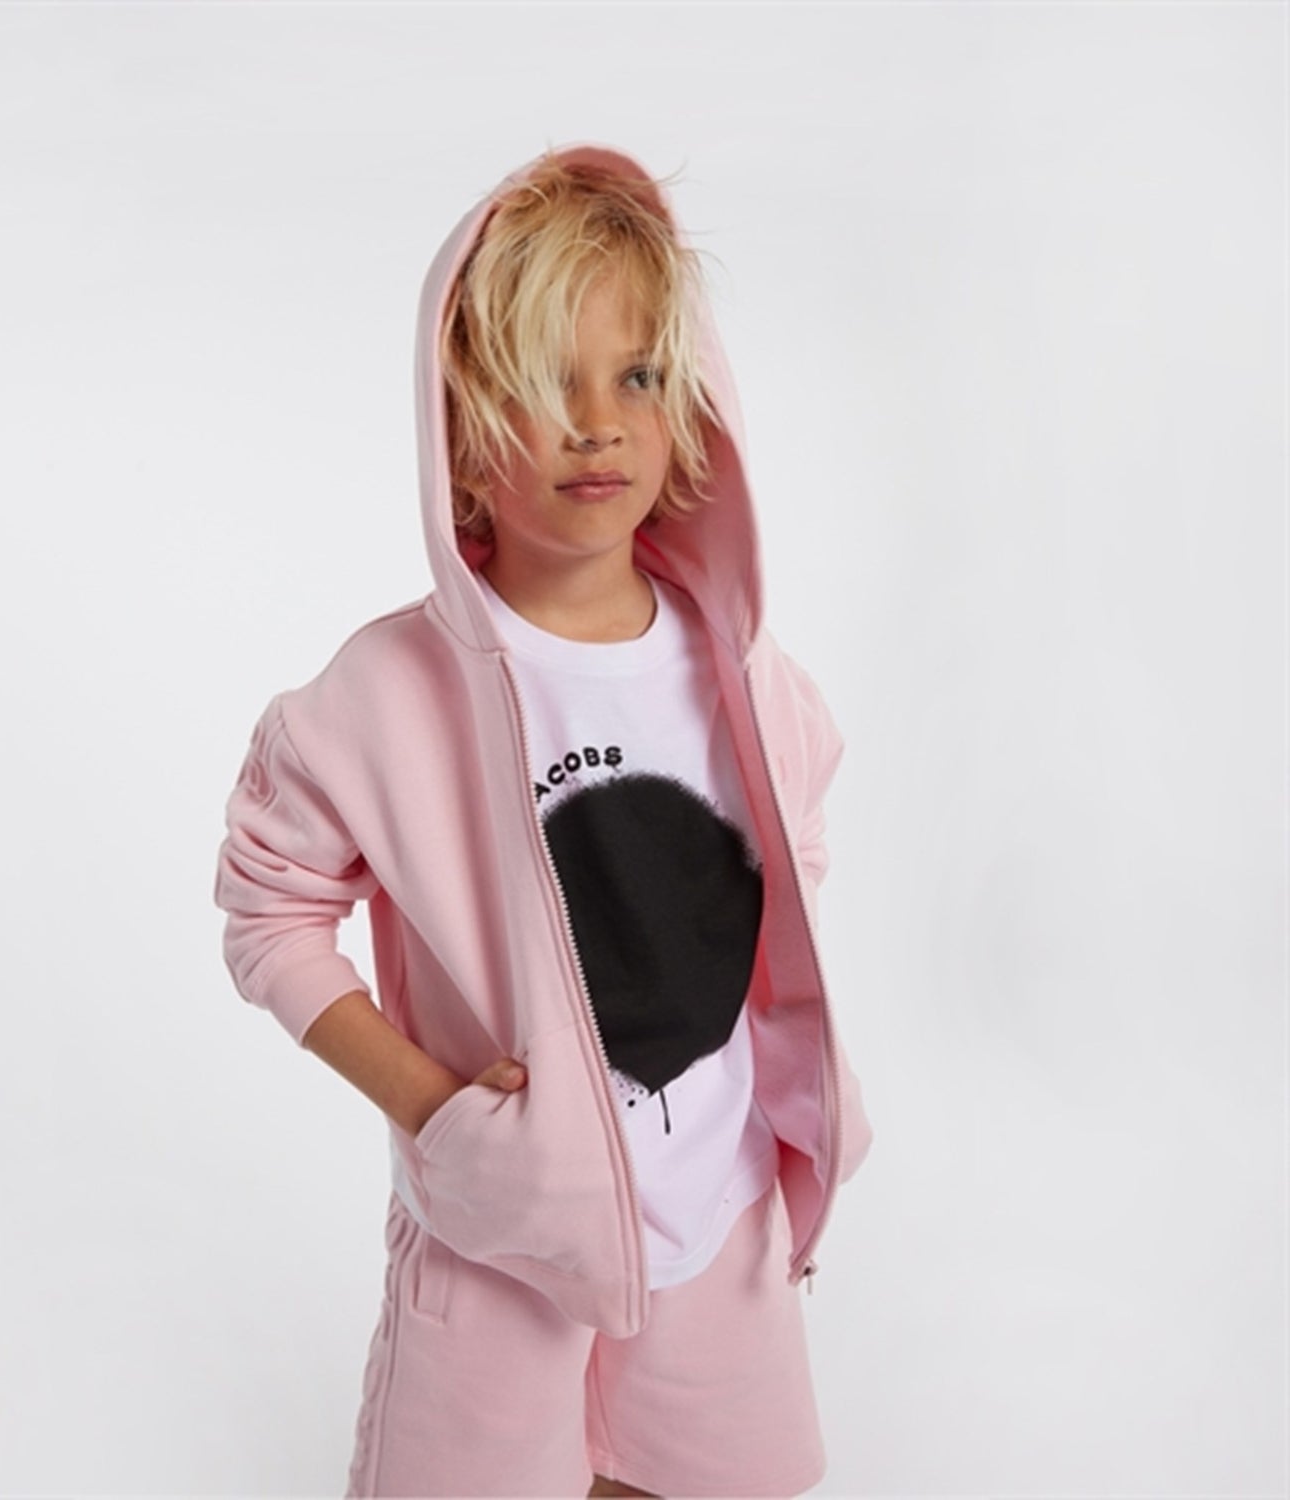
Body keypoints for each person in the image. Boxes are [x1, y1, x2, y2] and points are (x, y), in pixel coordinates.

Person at [213, 142, 874, 1499]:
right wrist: (434, 1109)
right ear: (459, 432)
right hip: (502, 1233)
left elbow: (793, 854)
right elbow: (270, 910)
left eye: (636, 377)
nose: (597, 423)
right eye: (543, 383)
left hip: (720, 1217)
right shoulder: (387, 695)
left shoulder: (750, 675)